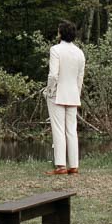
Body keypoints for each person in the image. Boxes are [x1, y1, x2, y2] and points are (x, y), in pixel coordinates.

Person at [45, 20, 86, 175]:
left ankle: (61, 165)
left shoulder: (55, 49)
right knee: (71, 129)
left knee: (58, 129)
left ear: (61, 33)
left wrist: (49, 90)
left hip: (57, 94)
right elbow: (80, 78)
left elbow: (53, 75)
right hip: (73, 94)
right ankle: (74, 165)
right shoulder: (80, 53)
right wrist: (77, 93)